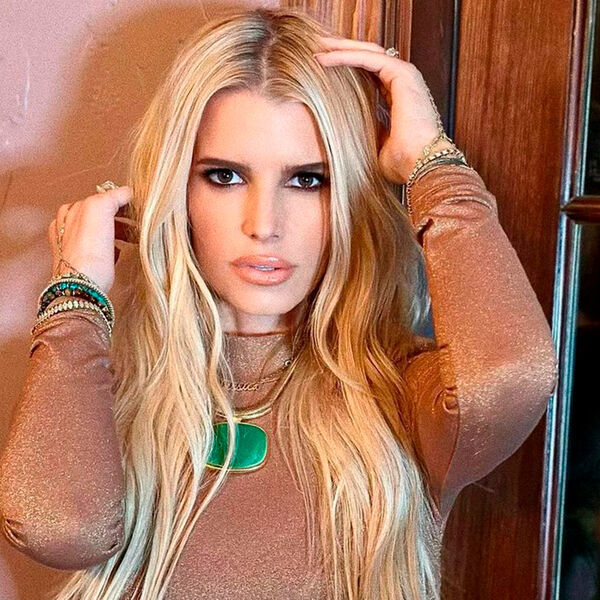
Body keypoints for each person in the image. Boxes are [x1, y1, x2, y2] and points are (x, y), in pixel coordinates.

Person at [0, 6, 559, 600]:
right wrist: (76, 300)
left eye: (308, 179)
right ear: (177, 190)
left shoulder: (402, 398)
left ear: (350, 198)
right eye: (225, 176)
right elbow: (60, 529)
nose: (264, 224)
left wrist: (431, 162)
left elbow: (511, 377)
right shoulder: (98, 382)